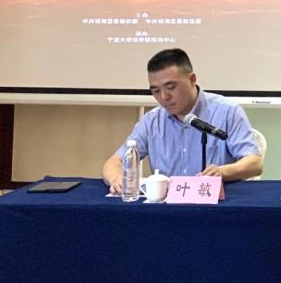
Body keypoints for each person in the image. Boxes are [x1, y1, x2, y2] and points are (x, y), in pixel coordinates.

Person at [102, 48, 262, 193]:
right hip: (167, 207)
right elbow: (115, 161)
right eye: (156, 91)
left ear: (192, 79)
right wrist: (117, 179)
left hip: (216, 203)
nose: (164, 97)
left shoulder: (227, 111)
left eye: (171, 87)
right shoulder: (151, 121)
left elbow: (254, 163)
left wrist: (222, 172)